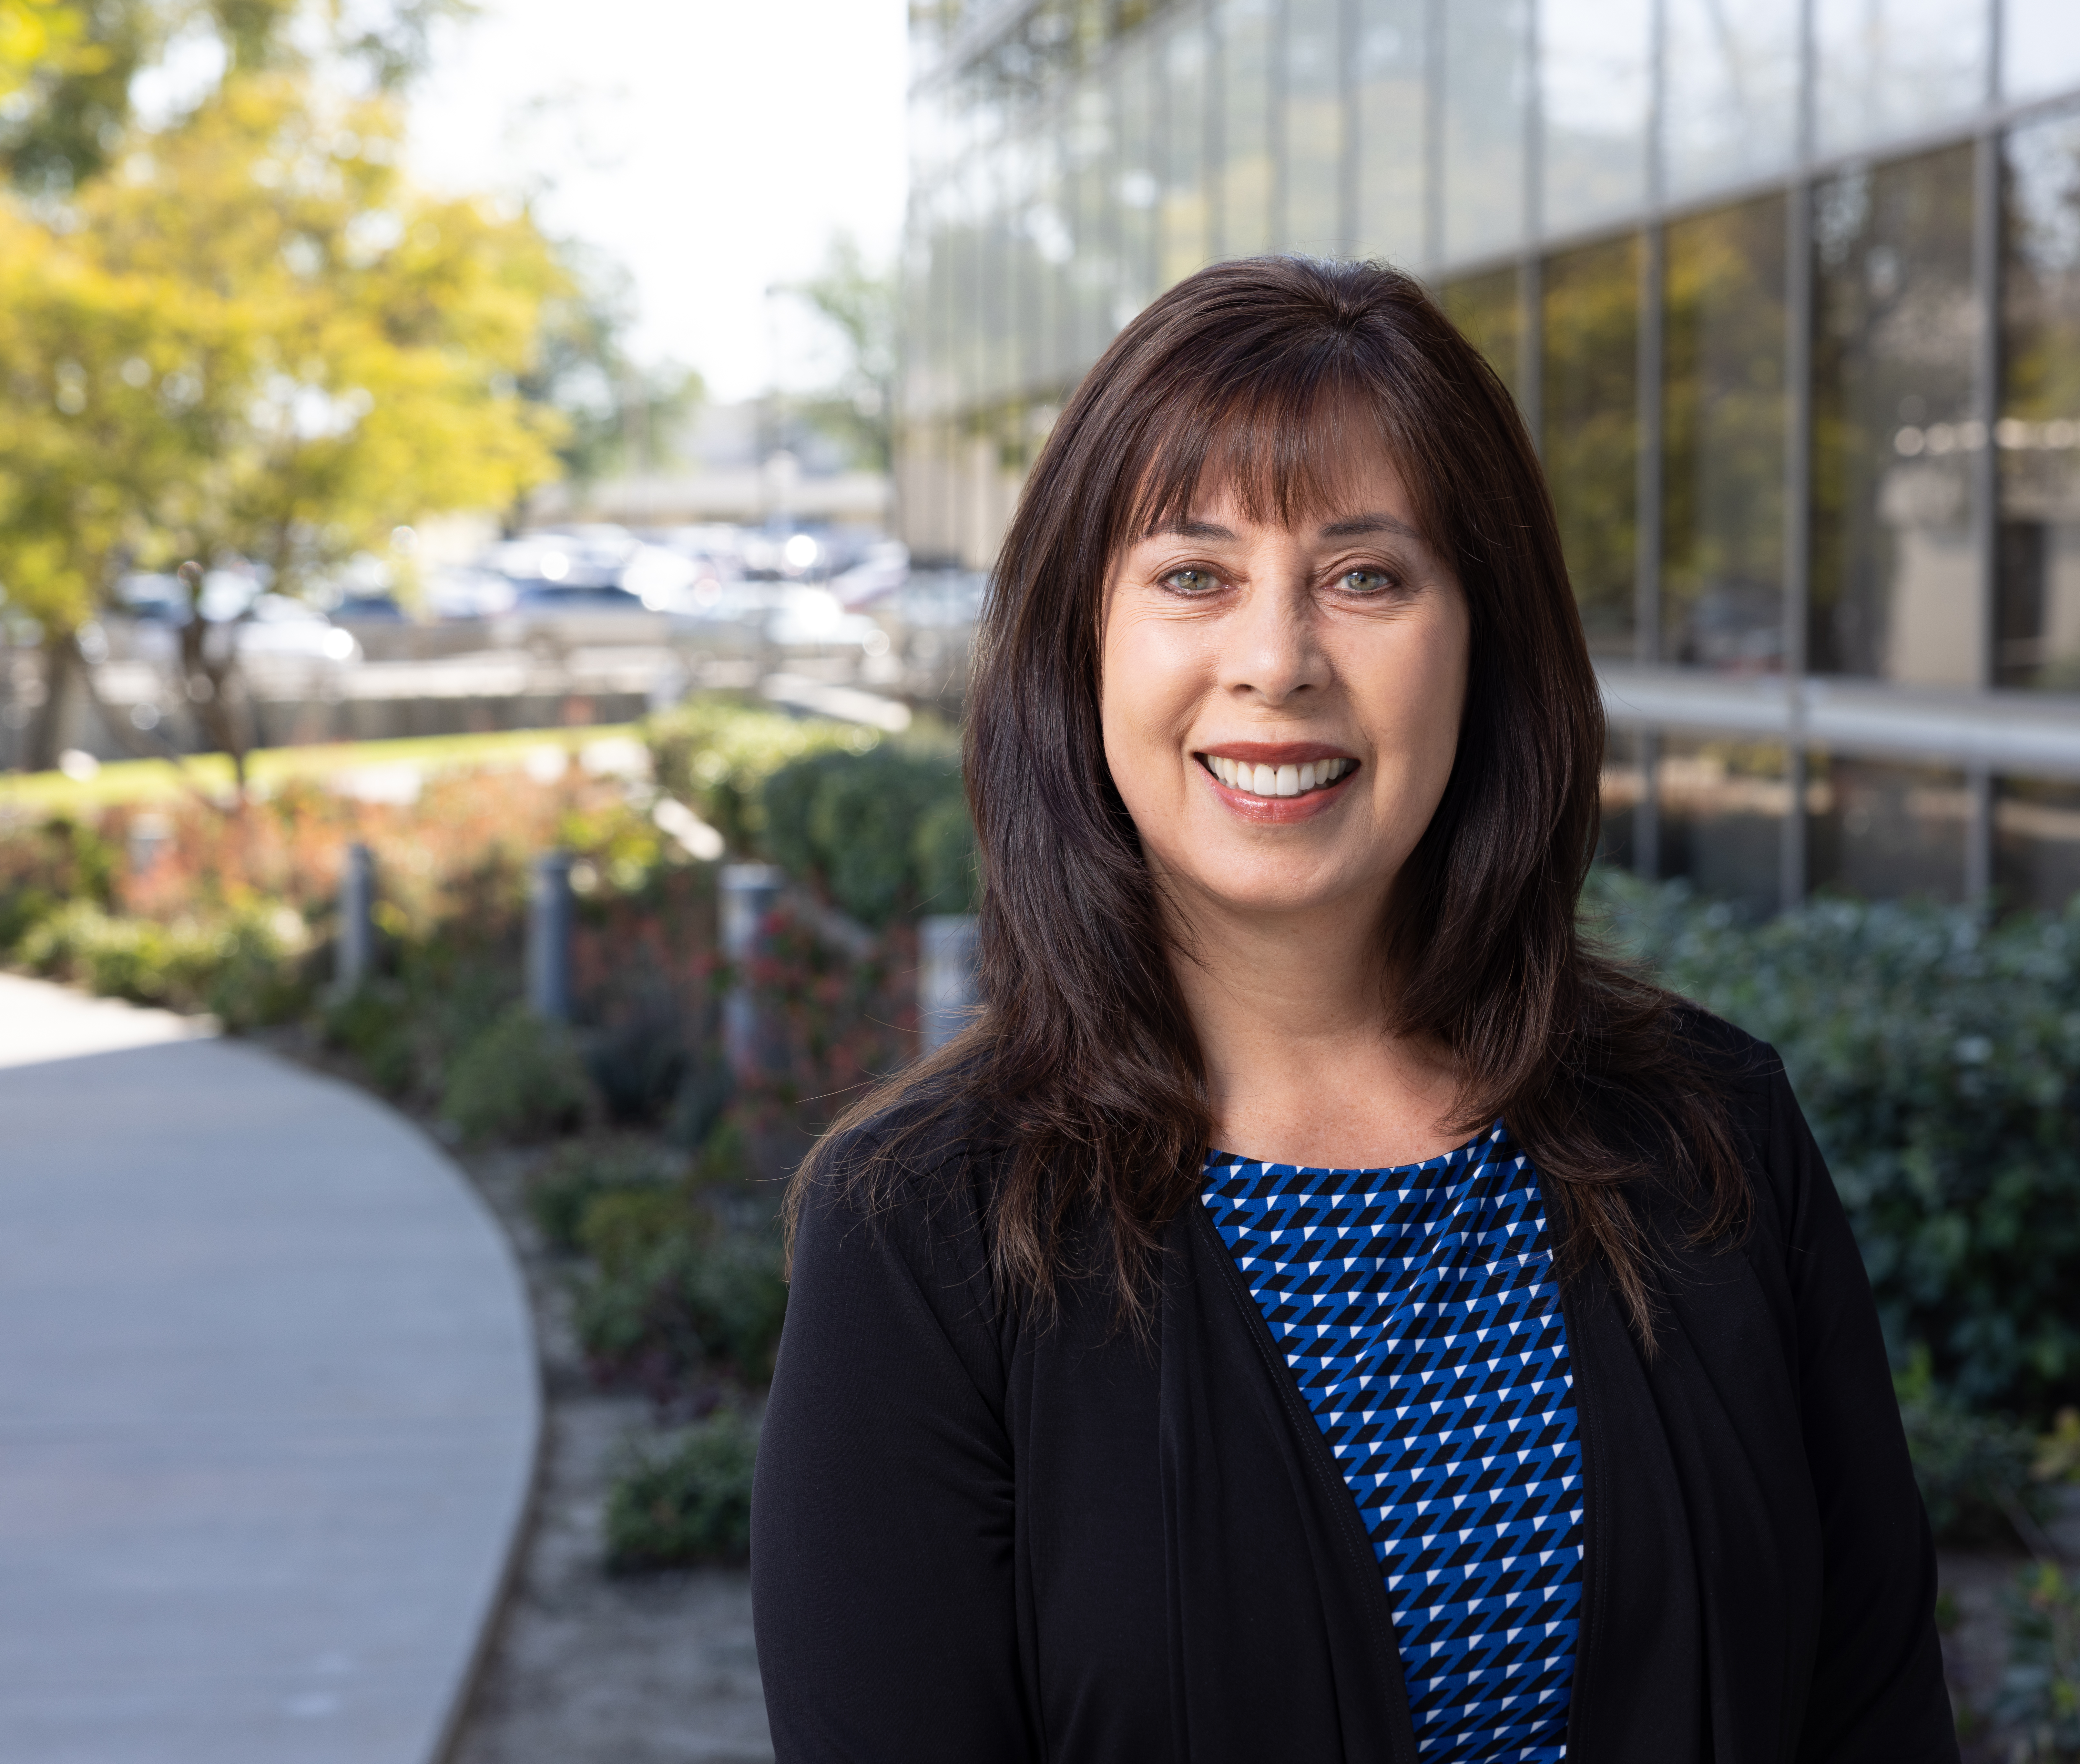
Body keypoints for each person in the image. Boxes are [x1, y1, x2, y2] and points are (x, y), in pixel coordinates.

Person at [748, 257, 1955, 1763]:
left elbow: (1873, 1713)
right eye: (1192, 575)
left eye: (1363, 575)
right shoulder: (924, 1231)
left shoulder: (1709, 1135)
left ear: (1483, 641)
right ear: (1083, 646)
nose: (1275, 659)